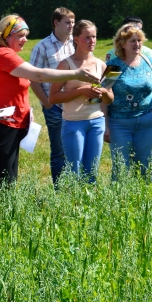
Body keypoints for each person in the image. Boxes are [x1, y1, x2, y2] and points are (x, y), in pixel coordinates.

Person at [0, 15, 99, 189]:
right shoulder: (3, 54)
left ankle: (4, 214)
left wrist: (27, 109)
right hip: (2, 126)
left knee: (8, 179)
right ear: (6, 35)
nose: (25, 39)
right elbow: (38, 75)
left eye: (26, 34)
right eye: (20, 35)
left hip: (9, 124)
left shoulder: (6, 54)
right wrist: (75, 74)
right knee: (4, 181)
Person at [49, 20, 110, 182]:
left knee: (91, 173)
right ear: (76, 39)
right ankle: (72, 205)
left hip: (97, 122)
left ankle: (89, 206)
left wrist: (102, 91)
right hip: (74, 122)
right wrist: (81, 91)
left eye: (94, 37)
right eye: (87, 37)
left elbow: (110, 98)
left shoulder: (101, 65)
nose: (92, 41)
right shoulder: (66, 65)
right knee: (74, 172)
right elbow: (53, 97)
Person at [103, 23, 152, 178]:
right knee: (121, 167)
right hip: (119, 124)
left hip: (146, 122)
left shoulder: (148, 61)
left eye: (139, 40)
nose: (137, 44)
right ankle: (120, 199)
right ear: (122, 44)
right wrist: (106, 126)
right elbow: (102, 97)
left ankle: (150, 198)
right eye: (132, 41)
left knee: (146, 165)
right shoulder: (113, 66)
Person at [29, 7, 76, 185]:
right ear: (56, 23)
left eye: (73, 22)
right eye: (67, 22)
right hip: (55, 107)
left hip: (75, 106)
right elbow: (33, 79)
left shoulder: (75, 44)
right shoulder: (42, 47)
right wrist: (48, 104)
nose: (71, 26)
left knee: (75, 149)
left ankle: (75, 186)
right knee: (59, 151)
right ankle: (60, 189)